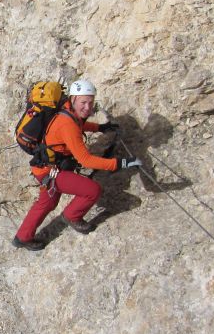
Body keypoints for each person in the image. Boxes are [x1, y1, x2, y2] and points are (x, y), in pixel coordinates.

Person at [12, 79, 140, 250]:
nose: (88, 107)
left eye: (90, 102)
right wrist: (121, 163)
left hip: (45, 167)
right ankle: (72, 216)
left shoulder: (68, 111)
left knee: (47, 202)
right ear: (73, 99)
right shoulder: (67, 123)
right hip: (50, 172)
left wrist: (100, 128)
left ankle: (22, 237)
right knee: (92, 190)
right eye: (83, 102)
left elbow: (79, 124)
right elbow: (85, 160)